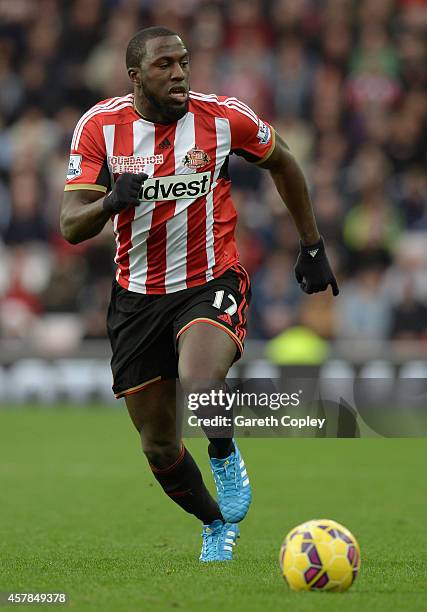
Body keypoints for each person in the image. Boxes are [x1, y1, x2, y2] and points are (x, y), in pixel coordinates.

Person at [60, 26, 339, 562]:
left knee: (201, 381)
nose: (180, 74)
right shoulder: (99, 127)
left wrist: (311, 245)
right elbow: (71, 225)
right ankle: (215, 525)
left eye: (184, 62)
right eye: (165, 65)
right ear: (135, 76)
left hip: (210, 279)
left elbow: (283, 159)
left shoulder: (222, 117)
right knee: (158, 445)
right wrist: (110, 202)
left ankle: (224, 451)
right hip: (137, 296)